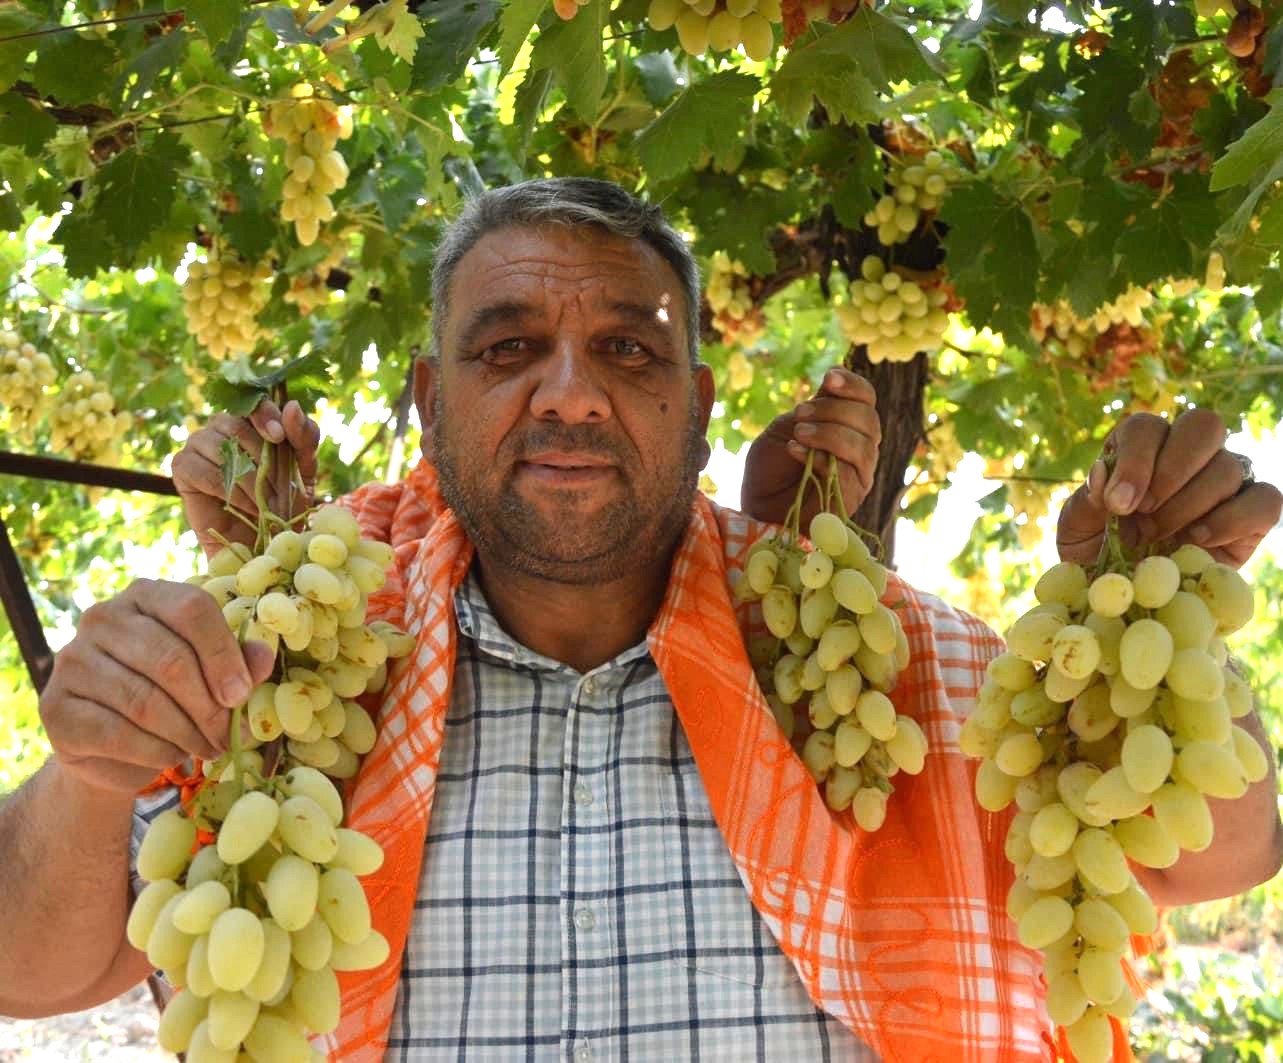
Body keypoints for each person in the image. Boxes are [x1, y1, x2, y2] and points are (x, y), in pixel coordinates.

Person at [0, 178, 1279, 1061]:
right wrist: (94, 770)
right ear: (427, 398)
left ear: (700, 401)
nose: (570, 396)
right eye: (507, 350)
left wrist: (1151, 629)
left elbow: (1222, 852)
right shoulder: (277, 670)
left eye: (628, 350)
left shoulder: (889, 663)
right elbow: (30, 971)